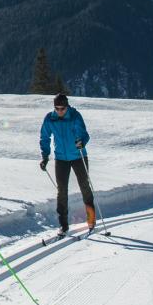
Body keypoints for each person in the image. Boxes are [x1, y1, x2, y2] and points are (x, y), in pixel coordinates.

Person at [39, 93, 95, 237]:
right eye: (57, 108)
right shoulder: (50, 118)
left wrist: (82, 142)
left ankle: (91, 219)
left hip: (78, 156)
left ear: (67, 106)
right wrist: (45, 156)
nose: (60, 111)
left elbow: (85, 134)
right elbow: (45, 138)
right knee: (62, 191)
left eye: (62, 108)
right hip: (61, 158)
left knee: (84, 186)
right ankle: (63, 225)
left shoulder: (75, 116)